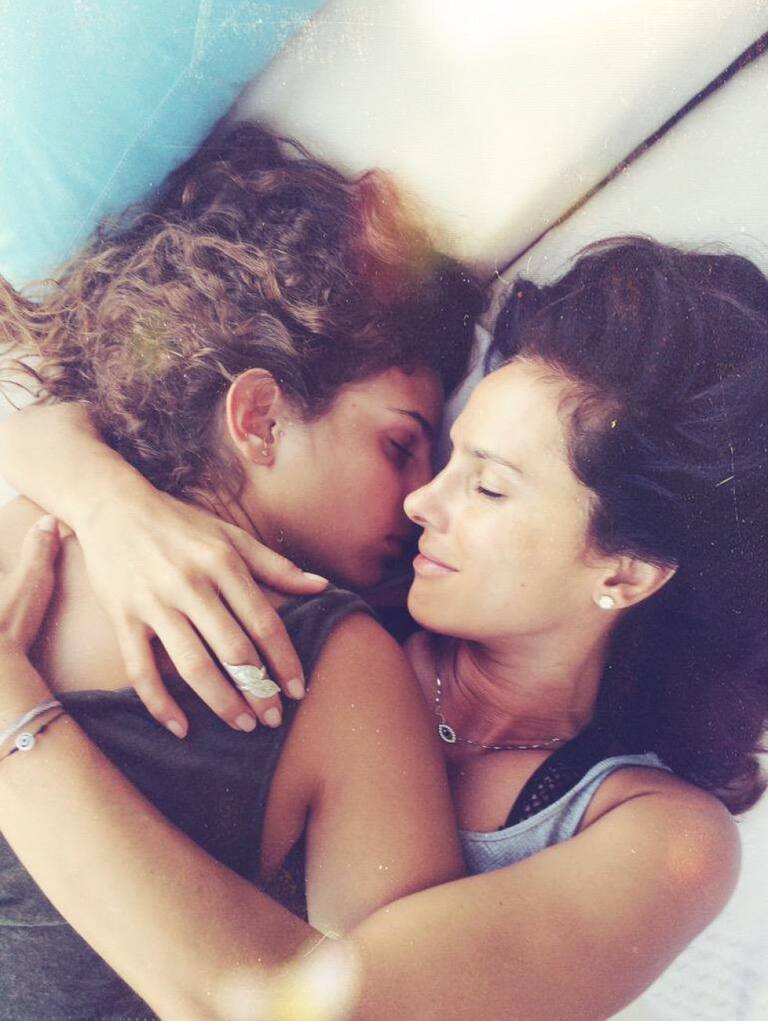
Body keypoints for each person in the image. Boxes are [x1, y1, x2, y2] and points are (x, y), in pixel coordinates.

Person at [1, 231, 766, 1016]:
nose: (420, 500)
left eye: (488, 488)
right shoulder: (347, 592)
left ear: (624, 572)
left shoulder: (661, 836)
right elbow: (42, 425)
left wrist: (14, 724)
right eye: (447, 458)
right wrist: (114, 506)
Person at [0, 120, 482, 1020]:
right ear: (260, 418)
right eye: (400, 445)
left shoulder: (27, 528)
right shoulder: (342, 668)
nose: (422, 497)